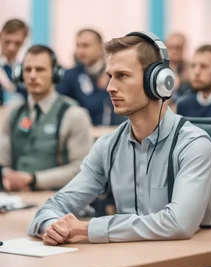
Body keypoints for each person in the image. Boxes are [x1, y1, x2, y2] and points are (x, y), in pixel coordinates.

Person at [29, 31, 211, 267]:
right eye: (109, 76)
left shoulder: (193, 144)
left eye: (122, 76)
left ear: (158, 82)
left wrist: (85, 227)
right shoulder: (108, 145)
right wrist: (53, 227)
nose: (110, 87)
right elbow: (55, 206)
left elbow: (179, 223)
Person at [0, 45, 93, 191]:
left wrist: (33, 179)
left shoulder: (74, 115)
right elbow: (2, 160)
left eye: (40, 69)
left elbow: (82, 170)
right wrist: (5, 174)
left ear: (55, 74)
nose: (32, 75)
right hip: (17, 199)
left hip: (59, 201)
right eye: (27, 69)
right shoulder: (13, 113)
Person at [57, 28, 125, 126]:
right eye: (78, 46)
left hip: (114, 132)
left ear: (101, 48)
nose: (80, 51)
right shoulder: (70, 76)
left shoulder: (115, 73)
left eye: (86, 46)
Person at [0, 18, 29, 104]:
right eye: (7, 41)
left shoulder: (26, 70)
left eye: (17, 43)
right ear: (1, 36)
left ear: (24, 41)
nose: (11, 48)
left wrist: (10, 87)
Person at [165, 32, 190, 104]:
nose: (174, 51)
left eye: (178, 48)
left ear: (184, 48)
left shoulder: (192, 68)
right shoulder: (158, 69)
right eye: (170, 47)